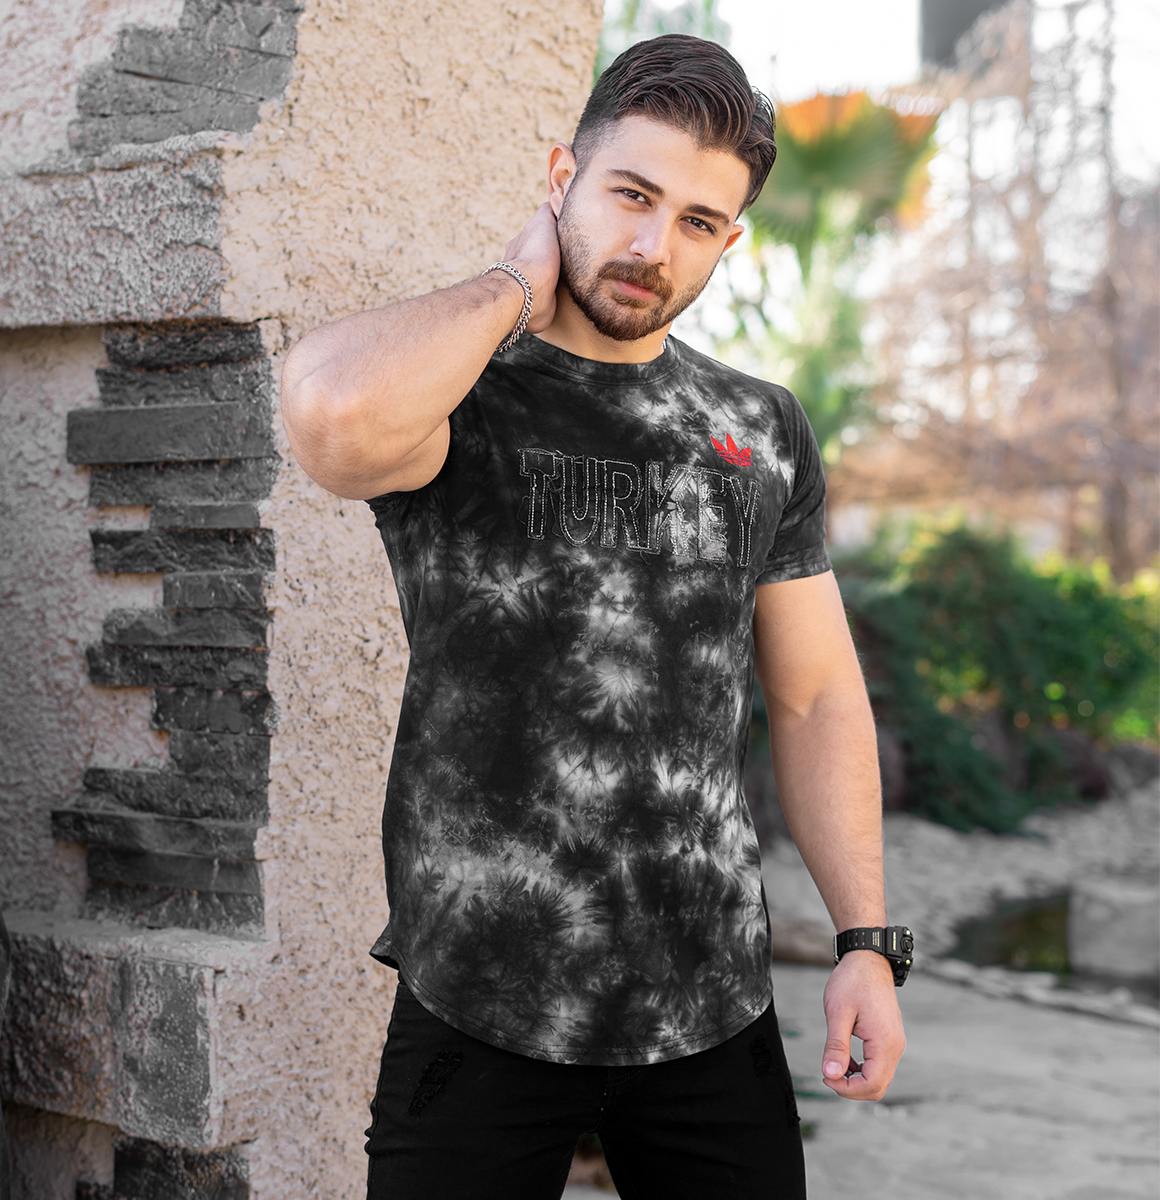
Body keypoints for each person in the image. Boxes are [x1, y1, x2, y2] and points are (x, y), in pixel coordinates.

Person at [281, 33, 907, 1200]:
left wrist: (866, 942)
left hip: (709, 1002)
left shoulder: (758, 428)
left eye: (698, 222)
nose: (653, 246)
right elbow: (330, 419)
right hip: (480, 997)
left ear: (730, 241)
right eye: (631, 195)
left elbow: (816, 695)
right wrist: (517, 283)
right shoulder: (466, 396)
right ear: (561, 176)